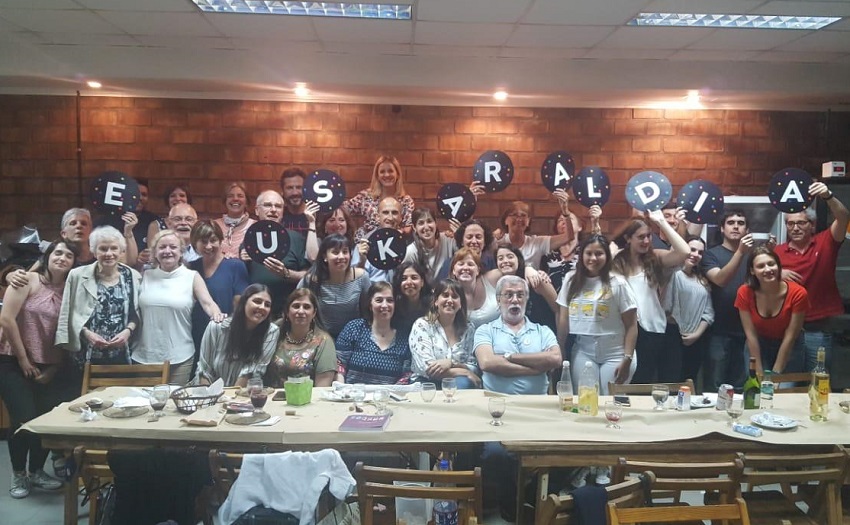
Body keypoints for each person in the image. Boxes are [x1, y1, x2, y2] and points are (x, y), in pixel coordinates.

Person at [473, 275, 561, 520]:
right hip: (497, 410)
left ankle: (532, 494)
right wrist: (535, 366)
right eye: (508, 295)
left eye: (520, 295)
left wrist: (511, 357)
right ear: (498, 300)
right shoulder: (485, 330)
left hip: (538, 410)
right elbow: (488, 362)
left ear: (526, 300)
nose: (514, 300)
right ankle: (513, 500)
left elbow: (554, 359)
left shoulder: (542, 331)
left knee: (569, 448)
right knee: (495, 453)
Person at [0, 240, 77, 498]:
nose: (63, 257)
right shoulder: (28, 280)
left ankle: (36, 471)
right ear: (48, 256)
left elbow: (69, 333)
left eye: (69, 255)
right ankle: (19, 474)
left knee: (45, 421)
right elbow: (6, 319)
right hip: (13, 360)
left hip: (49, 365)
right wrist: (23, 360)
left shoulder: (71, 289)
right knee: (23, 419)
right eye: (58, 252)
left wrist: (54, 368)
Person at [776, 181, 849, 372]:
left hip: (818, 327)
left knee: (817, 381)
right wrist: (777, 274)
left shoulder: (825, 241)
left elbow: (843, 217)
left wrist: (828, 196)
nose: (796, 228)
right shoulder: (777, 253)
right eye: (790, 223)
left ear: (812, 225)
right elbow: (759, 280)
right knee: (787, 385)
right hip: (787, 329)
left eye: (801, 222)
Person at [135, 230, 224, 385]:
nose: (167, 251)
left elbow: (208, 304)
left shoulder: (191, 276)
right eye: (162, 247)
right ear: (155, 252)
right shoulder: (144, 275)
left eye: (173, 247)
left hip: (180, 357)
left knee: (173, 405)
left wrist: (217, 314)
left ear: (181, 251)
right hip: (145, 356)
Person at [611, 210, 689, 384]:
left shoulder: (655, 258)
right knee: (624, 380)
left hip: (653, 329)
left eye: (649, 236)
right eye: (641, 237)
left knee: (645, 381)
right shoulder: (616, 260)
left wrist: (661, 222)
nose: (646, 241)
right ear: (628, 238)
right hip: (625, 329)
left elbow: (684, 252)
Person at [56, 226, 142, 382]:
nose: (109, 254)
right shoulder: (77, 275)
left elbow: (137, 314)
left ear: (122, 251)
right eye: (103, 249)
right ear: (94, 252)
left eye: (114, 248)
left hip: (122, 355)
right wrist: (86, 333)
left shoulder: (133, 276)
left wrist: (128, 331)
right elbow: (67, 312)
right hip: (85, 355)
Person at [556, 235, 638, 395]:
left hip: (616, 352)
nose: (593, 258)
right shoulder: (570, 280)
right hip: (583, 350)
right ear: (582, 255)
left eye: (599, 253)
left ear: (607, 256)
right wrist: (560, 348)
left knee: (611, 401)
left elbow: (632, 325)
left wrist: (627, 359)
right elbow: (563, 319)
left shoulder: (618, 282)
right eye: (589, 253)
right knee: (586, 399)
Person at [701, 210, 755, 391]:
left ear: (747, 229)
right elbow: (720, 280)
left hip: (748, 332)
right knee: (715, 387)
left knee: (742, 386)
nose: (736, 226)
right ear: (722, 229)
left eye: (741, 223)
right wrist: (740, 252)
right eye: (731, 222)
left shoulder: (753, 257)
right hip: (718, 331)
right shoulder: (711, 255)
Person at [187, 221, 249, 373]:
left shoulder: (235, 266)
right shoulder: (190, 267)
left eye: (213, 240)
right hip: (193, 334)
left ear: (221, 240)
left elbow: (239, 305)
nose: (209, 246)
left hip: (225, 335)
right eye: (203, 241)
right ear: (195, 243)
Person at [736, 247, 808, 376]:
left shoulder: (798, 293)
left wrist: (776, 373)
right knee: (757, 386)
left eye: (771, 264)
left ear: (779, 266)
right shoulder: (744, 292)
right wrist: (758, 373)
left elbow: (790, 335)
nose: (768, 269)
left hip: (789, 345)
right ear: (752, 271)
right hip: (758, 343)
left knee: (783, 391)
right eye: (761, 266)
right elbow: (750, 334)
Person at [195, 284, 278, 387]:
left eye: (267, 305)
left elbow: (251, 371)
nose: (262, 307)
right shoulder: (216, 327)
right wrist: (210, 399)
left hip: (242, 396)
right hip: (209, 394)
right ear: (243, 303)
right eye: (257, 301)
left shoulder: (271, 331)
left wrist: (231, 399)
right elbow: (204, 370)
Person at [245, 190, 311, 318]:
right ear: (257, 210)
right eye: (268, 205)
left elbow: (309, 275)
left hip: (287, 315)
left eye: (278, 206)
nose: (273, 210)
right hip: (255, 314)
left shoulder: (296, 238)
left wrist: (286, 273)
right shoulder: (248, 239)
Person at [336, 282, 412, 385]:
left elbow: (407, 375)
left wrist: (390, 395)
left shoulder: (404, 337)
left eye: (390, 300)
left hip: (389, 398)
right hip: (353, 397)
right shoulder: (354, 328)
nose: (384, 305)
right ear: (370, 305)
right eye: (379, 300)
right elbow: (339, 364)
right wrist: (343, 390)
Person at [408, 279, 480, 388]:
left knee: (464, 383)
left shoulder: (468, 328)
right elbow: (427, 369)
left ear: (460, 304)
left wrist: (451, 363)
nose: (450, 300)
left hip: (458, 384)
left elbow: (473, 366)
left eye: (455, 297)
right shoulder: (422, 325)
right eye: (445, 295)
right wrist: (464, 372)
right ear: (436, 301)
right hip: (425, 383)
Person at [298, 234, 371, 338]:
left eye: (345, 252)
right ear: (325, 257)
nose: (341, 257)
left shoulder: (361, 277)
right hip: (319, 336)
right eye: (335, 252)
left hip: (353, 337)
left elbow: (367, 311)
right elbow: (295, 303)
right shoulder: (311, 280)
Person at [666, 236, 714, 386]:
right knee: (671, 381)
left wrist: (696, 334)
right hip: (672, 336)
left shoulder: (702, 280)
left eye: (700, 252)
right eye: (692, 249)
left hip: (696, 339)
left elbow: (709, 312)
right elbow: (667, 307)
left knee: (688, 383)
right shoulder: (672, 274)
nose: (695, 254)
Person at [265, 289, 337, 388]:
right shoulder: (274, 333)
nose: (301, 311)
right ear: (287, 311)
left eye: (306, 307)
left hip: (306, 400)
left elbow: (322, 387)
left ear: (314, 313)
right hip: (271, 399)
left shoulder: (323, 341)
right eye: (296, 306)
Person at [486, 243, 559, 333]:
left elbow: (558, 310)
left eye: (510, 256)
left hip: (544, 335)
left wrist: (560, 342)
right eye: (500, 258)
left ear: (518, 259)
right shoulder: (501, 284)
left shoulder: (536, 279)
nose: (505, 261)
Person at [343, 155, 415, 242]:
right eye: (382, 172)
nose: (387, 175)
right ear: (377, 175)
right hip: (365, 243)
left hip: (394, 244)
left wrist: (393, 232)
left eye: (390, 171)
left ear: (398, 174)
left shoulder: (406, 201)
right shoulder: (366, 196)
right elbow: (344, 209)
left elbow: (408, 228)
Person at [496, 190, 573, 272]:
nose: (519, 219)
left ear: (528, 221)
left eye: (523, 215)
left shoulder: (537, 243)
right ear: (505, 220)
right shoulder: (498, 241)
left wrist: (565, 212)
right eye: (514, 215)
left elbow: (568, 236)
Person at [357, 196, 404, 283]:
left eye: (394, 213)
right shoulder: (365, 243)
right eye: (385, 212)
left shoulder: (407, 242)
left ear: (401, 217)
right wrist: (361, 262)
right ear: (377, 217)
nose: (390, 217)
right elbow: (357, 282)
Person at [403, 207, 455, 286]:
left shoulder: (448, 240)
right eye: (421, 223)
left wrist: (459, 235)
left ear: (435, 223)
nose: (426, 227)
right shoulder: (410, 252)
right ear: (414, 227)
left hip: (447, 293)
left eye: (429, 221)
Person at [449, 248, 499, 329]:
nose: (465, 268)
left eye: (470, 264)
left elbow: (513, 269)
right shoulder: (447, 294)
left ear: (478, 270)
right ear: (454, 270)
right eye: (461, 264)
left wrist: (527, 269)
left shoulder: (492, 278)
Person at [212, 181, 256, 259]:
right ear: (225, 201)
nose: (235, 199)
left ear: (246, 202)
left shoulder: (255, 226)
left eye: (240, 196)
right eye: (230, 196)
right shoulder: (214, 225)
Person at [392, 262, 433, 337]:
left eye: (414, 278)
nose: (409, 282)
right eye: (404, 278)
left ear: (422, 282)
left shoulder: (433, 306)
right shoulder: (393, 307)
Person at [279, 168, 310, 234]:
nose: (295, 193)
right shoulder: (278, 216)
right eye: (289, 188)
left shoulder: (317, 216)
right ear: (282, 191)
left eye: (299, 187)